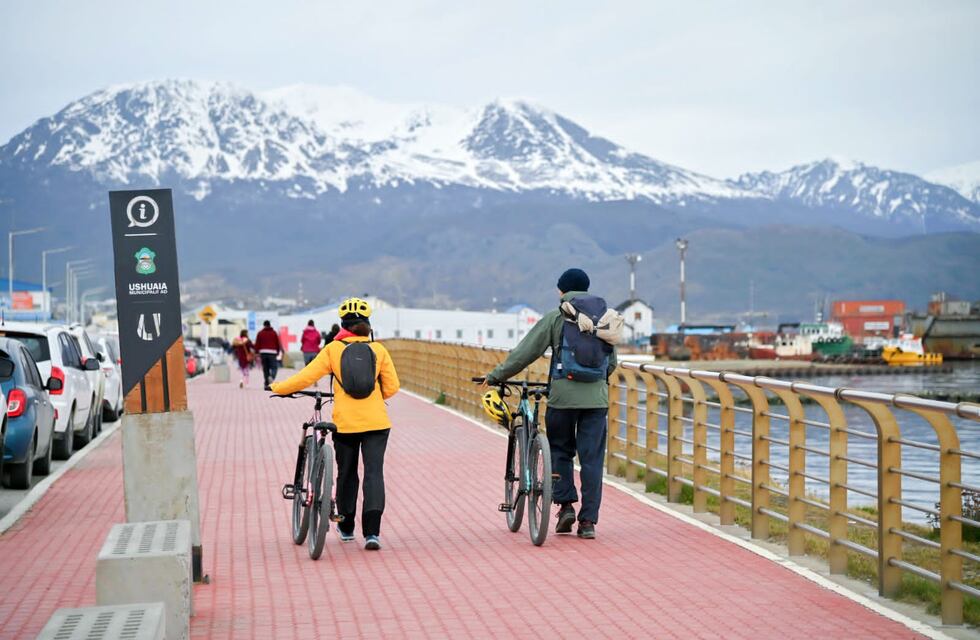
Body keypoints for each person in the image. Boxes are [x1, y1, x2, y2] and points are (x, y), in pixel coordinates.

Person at [484, 268, 617, 540]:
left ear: (562, 290)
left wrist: (496, 376)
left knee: (559, 449)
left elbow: (526, 353)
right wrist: (596, 385)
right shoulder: (603, 318)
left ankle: (566, 504)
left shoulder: (557, 317)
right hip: (597, 400)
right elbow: (611, 362)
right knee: (592, 461)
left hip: (563, 397)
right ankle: (589, 521)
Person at [270, 297, 400, 550]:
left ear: (343, 324)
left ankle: (346, 527)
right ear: (367, 324)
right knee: (374, 474)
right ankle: (372, 533)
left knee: (347, 474)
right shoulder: (379, 350)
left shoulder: (332, 350)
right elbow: (392, 387)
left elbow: (305, 377)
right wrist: (374, 399)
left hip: (345, 425)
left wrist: (279, 387)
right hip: (377, 423)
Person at [254, 320, 282, 388]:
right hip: (272, 353)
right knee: (274, 367)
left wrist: (256, 352)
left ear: (264, 325)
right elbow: (277, 343)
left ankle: (266, 383)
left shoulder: (260, 333)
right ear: (270, 325)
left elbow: (257, 343)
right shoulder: (274, 333)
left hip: (263, 353)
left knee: (265, 369)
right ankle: (272, 377)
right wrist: (278, 351)